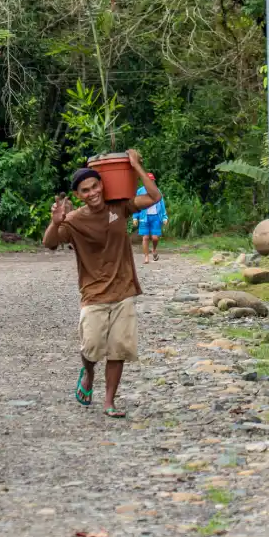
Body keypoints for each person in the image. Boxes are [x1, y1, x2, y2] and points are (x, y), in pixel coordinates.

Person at [42, 149, 161, 414]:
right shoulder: (74, 220)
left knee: (118, 349)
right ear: (78, 195)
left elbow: (155, 196)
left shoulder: (119, 207)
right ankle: (88, 373)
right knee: (92, 346)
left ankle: (109, 401)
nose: (92, 193)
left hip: (123, 289)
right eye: (85, 190)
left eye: (95, 186)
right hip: (93, 293)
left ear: (102, 185)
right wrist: (54, 223)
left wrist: (136, 167)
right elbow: (49, 243)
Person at [133, 173, 168, 264]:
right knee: (145, 237)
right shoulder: (140, 192)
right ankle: (146, 257)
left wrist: (164, 217)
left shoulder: (157, 191)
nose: (151, 182)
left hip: (156, 217)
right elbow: (136, 205)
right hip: (144, 217)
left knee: (155, 238)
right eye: (149, 180)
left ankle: (154, 250)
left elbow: (162, 205)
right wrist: (135, 217)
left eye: (152, 180)